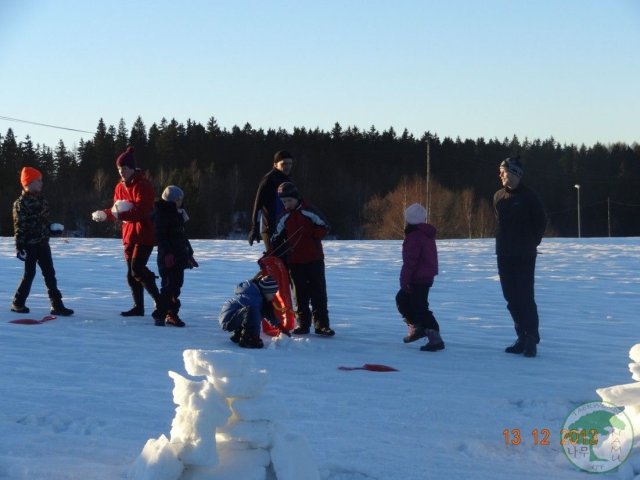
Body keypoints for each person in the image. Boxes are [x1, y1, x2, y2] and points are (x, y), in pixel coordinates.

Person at [91, 146, 162, 320]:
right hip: (128, 234)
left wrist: (118, 214)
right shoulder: (119, 187)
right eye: (119, 169)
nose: (122, 172)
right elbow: (117, 210)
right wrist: (104, 215)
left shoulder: (143, 185)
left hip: (144, 233)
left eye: (125, 169)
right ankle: (138, 307)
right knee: (131, 273)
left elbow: (142, 211)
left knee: (137, 269)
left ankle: (161, 302)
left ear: (133, 169)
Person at [493, 156, 547, 358]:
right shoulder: (498, 196)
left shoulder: (530, 197)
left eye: (503, 171)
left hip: (524, 254)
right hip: (504, 253)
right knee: (511, 298)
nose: (500, 175)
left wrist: (531, 242)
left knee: (525, 296)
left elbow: (541, 222)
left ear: (515, 174)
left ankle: (531, 337)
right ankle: (521, 336)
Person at [270, 182, 334, 336]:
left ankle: (322, 325)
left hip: (315, 259)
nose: (287, 204)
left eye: (289, 201)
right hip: (295, 261)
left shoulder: (309, 211)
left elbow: (325, 226)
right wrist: (279, 251)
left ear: (297, 198)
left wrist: (313, 233)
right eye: (284, 202)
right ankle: (303, 324)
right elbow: (275, 238)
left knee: (318, 293)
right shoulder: (284, 216)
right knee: (300, 294)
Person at [11, 167, 74, 316]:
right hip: (30, 245)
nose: (41, 183)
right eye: (38, 180)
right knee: (29, 274)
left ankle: (57, 305)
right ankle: (18, 303)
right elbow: (19, 226)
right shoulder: (20, 203)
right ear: (29, 182)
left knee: (50, 274)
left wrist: (51, 229)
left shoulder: (42, 200)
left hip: (43, 244)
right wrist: (20, 246)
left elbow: (43, 222)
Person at [395, 203, 444, 352]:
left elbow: (410, 261)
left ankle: (433, 336)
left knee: (419, 306)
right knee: (404, 300)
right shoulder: (424, 233)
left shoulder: (415, 236)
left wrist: (405, 280)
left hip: (418, 277)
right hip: (424, 276)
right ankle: (418, 327)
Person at [153, 185, 198, 327]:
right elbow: (161, 237)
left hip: (179, 257)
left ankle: (172, 314)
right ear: (170, 200)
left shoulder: (178, 214)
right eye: (178, 199)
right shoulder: (162, 214)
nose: (180, 201)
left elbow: (182, 237)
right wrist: (167, 254)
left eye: (181, 199)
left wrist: (189, 254)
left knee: (176, 287)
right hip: (168, 259)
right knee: (168, 287)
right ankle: (160, 314)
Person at [218, 275, 289, 348]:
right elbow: (255, 318)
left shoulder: (260, 295)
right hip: (228, 321)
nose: (273, 296)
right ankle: (247, 340)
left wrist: (279, 326)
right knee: (250, 311)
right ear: (266, 291)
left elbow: (267, 312)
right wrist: (255, 337)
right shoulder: (253, 298)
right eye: (272, 294)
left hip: (237, 317)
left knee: (259, 309)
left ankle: (239, 334)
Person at [248, 150, 294, 251]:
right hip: (270, 228)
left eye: (290, 163)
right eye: (284, 164)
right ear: (275, 164)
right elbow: (258, 205)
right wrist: (254, 227)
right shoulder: (268, 180)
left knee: (287, 260)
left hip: (284, 228)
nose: (287, 166)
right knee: (274, 260)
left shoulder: (287, 180)